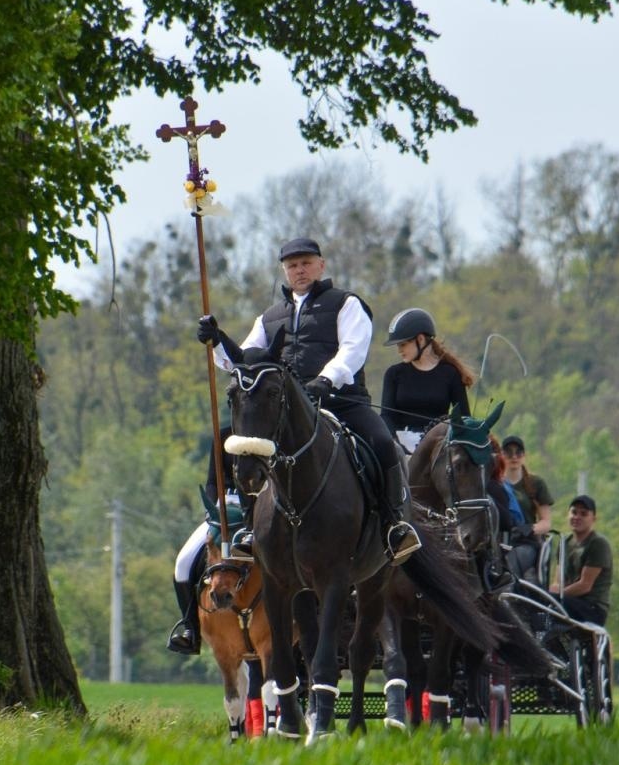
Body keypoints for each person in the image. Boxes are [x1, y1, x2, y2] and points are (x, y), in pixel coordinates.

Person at [196, 237, 420, 562]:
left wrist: (326, 379)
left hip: (343, 401)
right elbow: (245, 360)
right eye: (292, 266)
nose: (299, 270)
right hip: (286, 411)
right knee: (237, 443)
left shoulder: (346, 303)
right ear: (285, 272)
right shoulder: (269, 317)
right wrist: (216, 342)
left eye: (305, 263)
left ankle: (394, 524)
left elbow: (353, 349)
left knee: (384, 443)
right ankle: (247, 526)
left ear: (321, 265)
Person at [166, 427, 244, 655]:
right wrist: (212, 509)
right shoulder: (223, 434)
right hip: (220, 511)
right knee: (183, 562)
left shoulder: (267, 431)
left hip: (256, 510)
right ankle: (191, 629)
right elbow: (212, 480)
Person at [378, 307, 473, 454]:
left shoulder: (450, 373)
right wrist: (396, 445)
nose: (399, 350)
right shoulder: (393, 374)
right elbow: (386, 416)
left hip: (439, 447)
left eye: (403, 344)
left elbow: (464, 418)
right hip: (401, 447)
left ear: (420, 339)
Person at [550, 494, 612, 628]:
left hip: (592, 608)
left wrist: (553, 597)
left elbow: (585, 585)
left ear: (593, 519)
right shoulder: (564, 543)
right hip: (568, 601)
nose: (577, 517)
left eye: (583, 514)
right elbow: (558, 581)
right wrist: (548, 593)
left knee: (550, 602)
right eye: (574, 512)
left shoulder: (598, 544)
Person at [500, 434, 554, 580]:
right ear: (501, 455)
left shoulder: (535, 483)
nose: (514, 456)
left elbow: (547, 522)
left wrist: (529, 529)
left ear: (524, 455)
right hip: (498, 543)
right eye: (508, 452)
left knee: (515, 558)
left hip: (525, 544)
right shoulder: (494, 485)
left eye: (518, 452)